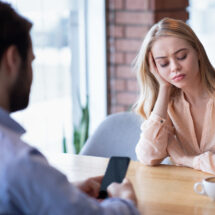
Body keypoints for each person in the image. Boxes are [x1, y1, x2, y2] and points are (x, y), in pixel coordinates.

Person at [0, 2, 139, 214]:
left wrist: (61, 194)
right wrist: (126, 199)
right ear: (12, 59)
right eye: (31, 61)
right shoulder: (21, 163)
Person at [134, 18, 215, 178]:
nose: (174, 68)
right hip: (184, 194)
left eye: (181, 56)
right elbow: (147, 156)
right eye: (164, 64)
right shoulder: (166, 102)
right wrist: (164, 88)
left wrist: (187, 160)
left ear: (198, 53)